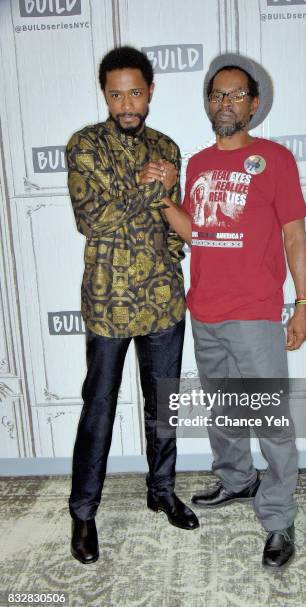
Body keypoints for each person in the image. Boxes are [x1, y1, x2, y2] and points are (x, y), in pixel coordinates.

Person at [153, 53, 306, 570]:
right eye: (217, 95)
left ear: (254, 104)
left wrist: (303, 305)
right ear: (208, 104)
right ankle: (237, 479)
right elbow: (196, 234)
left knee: (269, 417)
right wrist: (162, 198)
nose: (226, 103)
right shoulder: (198, 164)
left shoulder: (275, 160)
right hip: (205, 309)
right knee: (224, 408)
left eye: (236, 95)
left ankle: (279, 517)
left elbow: (294, 235)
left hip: (255, 313)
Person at [66, 46, 199, 565]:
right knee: (97, 409)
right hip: (107, 305)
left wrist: (171, 263)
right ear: (104, 93)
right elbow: (93, 219)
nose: (127, 103)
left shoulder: (166, 148)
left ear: (150, 91)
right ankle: (83, 513)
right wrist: (153, 189)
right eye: (116, 93)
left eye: (135, 92)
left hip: (163, 303)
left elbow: (174, 222)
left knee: (162, 406)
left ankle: (161, 491)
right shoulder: (85, 147)